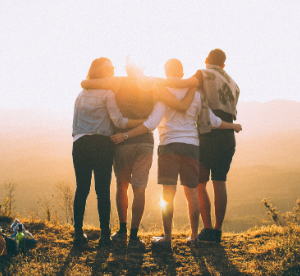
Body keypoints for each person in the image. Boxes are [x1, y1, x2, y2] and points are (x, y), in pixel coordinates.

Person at [110, 59, 242, 248]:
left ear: (166, 72)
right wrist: (233, 126)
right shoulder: (196, 93)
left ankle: (167, 238)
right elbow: (212, 121)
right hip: (192, 147)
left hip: (169, 146)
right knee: (192, 194)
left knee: (168, 194)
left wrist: (126, 135)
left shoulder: (164, 93)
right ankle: (194, 237)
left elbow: (152, 123)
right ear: (182, 73)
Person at [81, 57, 196, 249]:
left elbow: (86, 83)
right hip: (145, 142)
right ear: (143, 66)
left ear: (127, 68)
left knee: (122, 185)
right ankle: (134, 237)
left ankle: (122, 231)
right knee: (139, 189)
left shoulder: (117, 81)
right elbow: (177, 98)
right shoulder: (153, 83)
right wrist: (193, 85)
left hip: (121, 142)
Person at [155, 49, 240, 243]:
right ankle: (217, 232)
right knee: (220, 182)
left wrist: (155, 82)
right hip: (227, 136)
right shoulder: (234, 83)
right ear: (224, 65)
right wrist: (233, 126)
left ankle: (206, 230)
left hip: (208, 134)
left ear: (206, 60)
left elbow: (183, 84)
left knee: (199, 185)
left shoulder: (203, 74)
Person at [72, 57, 146, 247]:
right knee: (102, 191)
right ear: (100, 72)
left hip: (80, 143)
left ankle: (78, 234)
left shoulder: (81, 94)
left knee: (82, 189)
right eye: (109, 68)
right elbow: (119, 122)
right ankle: (105, 236)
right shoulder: (107, 93)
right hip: (102, 145)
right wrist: (143, 122)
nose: (113, 70)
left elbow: (75, 124)